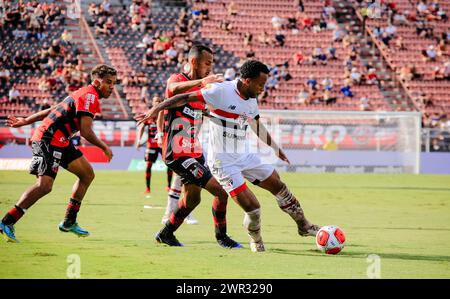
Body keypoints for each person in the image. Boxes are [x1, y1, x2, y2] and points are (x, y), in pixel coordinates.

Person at [138, 60, 320, 252]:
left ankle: (304, 225)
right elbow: (183, 98)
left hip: (245, 154)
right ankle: (255, 240)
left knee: (279, 186)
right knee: (253, 208)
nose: (262, 89)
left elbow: (256, 124)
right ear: (247, 81)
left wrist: (275, 148)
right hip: (222, 162)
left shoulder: (251, 99)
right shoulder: (220, 91)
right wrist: (156, 109)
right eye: (260, 84)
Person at [0, 64, 116, 243]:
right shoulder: (90, 96)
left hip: (61, 140)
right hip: (48, 139)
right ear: (96, 82)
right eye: (108, 82)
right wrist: (104, 147)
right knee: (44, 185)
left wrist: (25, 121)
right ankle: (7, 221)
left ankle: (69, 221)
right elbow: (86, 131)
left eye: (114, 83)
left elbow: (52, 110)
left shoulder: (81, 92)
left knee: (87, 174)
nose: (111, 87)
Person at [141, 44, 241, 248]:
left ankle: (165, 234)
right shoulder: (178, 79)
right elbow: (173, 91)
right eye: (207, 63)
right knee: (221, 191)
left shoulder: (203, 90)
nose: (210, 68)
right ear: (194, 62)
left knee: (193, 199)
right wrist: (202, 82)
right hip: (178, 151)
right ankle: (222, 237)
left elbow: (202, 111)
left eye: (211, 63)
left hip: (194, 150)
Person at [136, 95, 173, 195]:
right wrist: (139, 140)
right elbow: (142, 126)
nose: (157, 103)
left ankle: (169, 186)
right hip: (151, 145)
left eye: (159, 101)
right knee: (148, 165)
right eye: (155, 101)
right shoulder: (149, 115)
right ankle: (148, 188)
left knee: (170, 165)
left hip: (163, 144)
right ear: (152, 103)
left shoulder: (165, 113)